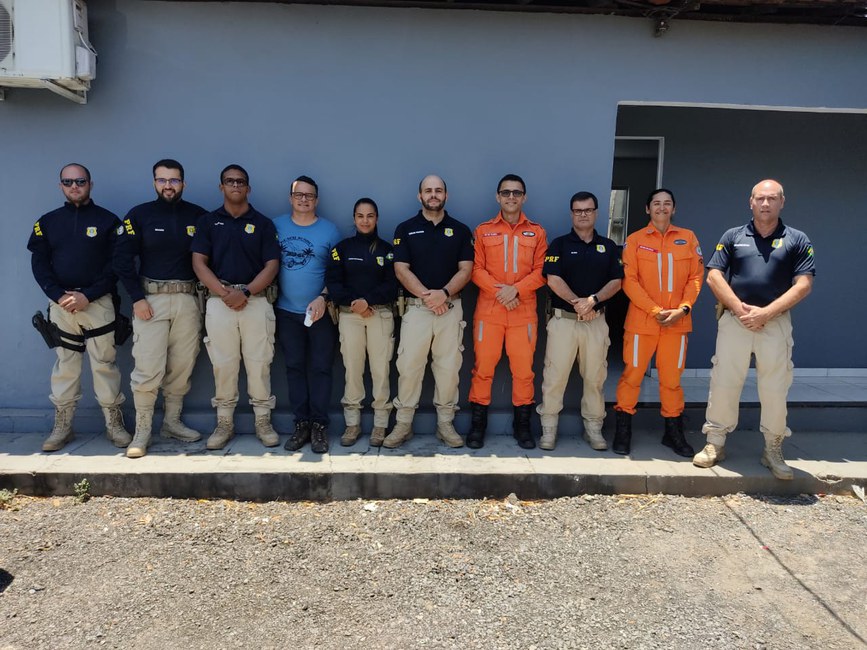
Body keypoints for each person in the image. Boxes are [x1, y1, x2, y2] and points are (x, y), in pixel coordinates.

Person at [693, 179, 814, 480]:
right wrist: (738, 309)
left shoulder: (797, 239)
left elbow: (804, 284)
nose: (765, 203)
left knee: (775, 386)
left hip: (774, 323)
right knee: (724, 381)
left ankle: (773, 448)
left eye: (772, 198)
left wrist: (767, 313)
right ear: (751, 202)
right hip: (735, 321)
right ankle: (715, 442)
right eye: (760, 198)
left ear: (782, 202)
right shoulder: (733, 236)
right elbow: (714, 275)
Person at [28, 163, 132, 452]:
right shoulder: (47, 222)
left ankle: (114, 423)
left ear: (90, 184)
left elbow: (117, 265)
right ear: (60, 185)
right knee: (65, 366)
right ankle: (63, 426)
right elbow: (39, 264)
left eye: (80, 181)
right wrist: (57, 295)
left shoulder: (108, 221)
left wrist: (88, 295)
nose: (74, 186)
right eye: (68, 181)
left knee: (105, 365)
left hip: (98, 303)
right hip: (62, 305)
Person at [114, 159, 207, 458]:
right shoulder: (139, 215)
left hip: (188, 300)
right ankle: (142, 430)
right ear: (154, 182)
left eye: (174, 180)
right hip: (150, 301)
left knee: (182, 365)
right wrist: (136, 298)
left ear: (183, 183)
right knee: (148, 366)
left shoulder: (199, 216)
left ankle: (171, 422)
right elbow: (122, 260)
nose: (168, 185)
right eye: (162, 180)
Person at [191, 165, 280, 450]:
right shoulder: (208, 222)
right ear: (222, 187)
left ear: (248, 188)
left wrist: (246, 292)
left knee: (259, 363)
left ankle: (263, 421)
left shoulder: (263, 224)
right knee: (223, 364)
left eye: (241, 182)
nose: (235, 185)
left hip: (256, 301)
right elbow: (198, 263)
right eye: (229, 181)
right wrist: (225, 293)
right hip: (220, 303)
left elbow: (272, 265)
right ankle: (224, 423)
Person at [383, 175, 474, 449]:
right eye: (428, 190)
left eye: (438, 190)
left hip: (450, 308)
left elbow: (466, 269)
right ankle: (403, 423)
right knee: (409, 367)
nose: (433, 194)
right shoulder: (405, 228)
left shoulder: (460, 230)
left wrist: (443, 294)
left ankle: (445, 424)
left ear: (446, 195)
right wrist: (429, 297)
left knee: (448, 369)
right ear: (419, 196)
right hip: (417, 309)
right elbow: (401, 270)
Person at [613, 188, 704, 456]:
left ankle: (673, 432)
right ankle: (623, 430)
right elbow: (629, 281)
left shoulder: (688, 238)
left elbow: (696, 278)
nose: (661, 208)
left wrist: (683, 309)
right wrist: (654, 310)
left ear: (674, 208)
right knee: (632, 376)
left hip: (677, 322)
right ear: (647, 209)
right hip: (642, 323)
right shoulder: (635, 240)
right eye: (656, 203)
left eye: (667, 203)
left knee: (672, 380)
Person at [536, 191, 623, 451]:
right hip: (564, 321)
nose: (583, 214)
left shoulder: (608, 246)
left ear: (596, 212)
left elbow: (617, 281)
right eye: (578, 210)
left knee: (595, 379)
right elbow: (552, 279)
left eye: (588, 210)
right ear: (571, 213)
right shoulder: (559, 245)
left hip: (595, 323)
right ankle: (549, 429)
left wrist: (593, 301)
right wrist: (579, 304)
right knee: (554, 377)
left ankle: (594, 429)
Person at [468, 174, 547, 450]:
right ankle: (478, 426)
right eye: (506, 192)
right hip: (489, 312)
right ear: (497, 197)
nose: (511, 197)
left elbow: (542, 271)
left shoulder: (537, 232)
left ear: (524, 197)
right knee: (482, 370)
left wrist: (516, 290)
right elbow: (475, 269)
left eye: (516, 192)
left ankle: (522, 426)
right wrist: (501, 292)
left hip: (523, 313)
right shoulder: (483, 230)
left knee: (524, 372)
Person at [274, 175, 341, 455]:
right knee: (294, 368)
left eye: (309, 195)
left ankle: (319, 426)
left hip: (320, 313)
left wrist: (323, 297)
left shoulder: (330, 231)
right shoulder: (276, 226)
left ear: (317, 199)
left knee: (321, 369)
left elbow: (338, 272)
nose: (304, 199)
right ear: (291, 198)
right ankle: (301, 424)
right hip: (286, 311)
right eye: (299, 195)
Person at [325, 198, 398, 447]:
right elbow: (333, 282)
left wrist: (368, 302)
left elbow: (392, 284)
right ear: (354, 219)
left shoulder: (387, 250)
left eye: (370, 216)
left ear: (377, 218)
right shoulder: (342, 249)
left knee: (380, 371)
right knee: (353, 370)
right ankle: (352, 423)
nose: (365, 221)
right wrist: (354, 303)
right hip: (350, 316)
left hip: (379, 314)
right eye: (360, 216)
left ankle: (380, 424)